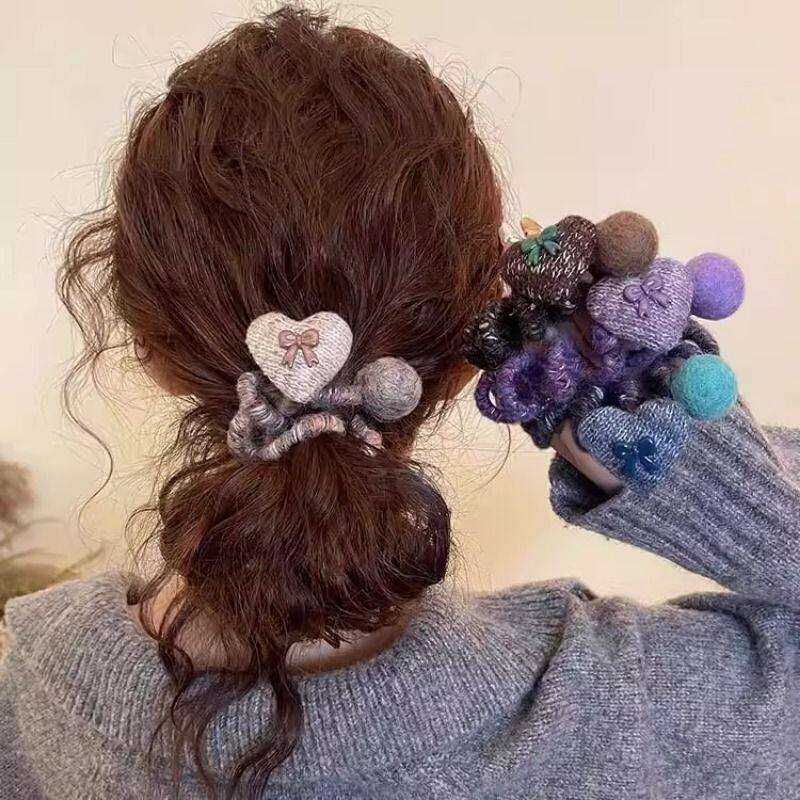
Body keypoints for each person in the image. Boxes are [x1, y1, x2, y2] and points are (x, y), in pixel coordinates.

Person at [2, 7, 799, 799]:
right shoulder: (628, 703)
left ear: (149, 349)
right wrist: (655, 429)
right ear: (470, 354)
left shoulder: (37, 692)